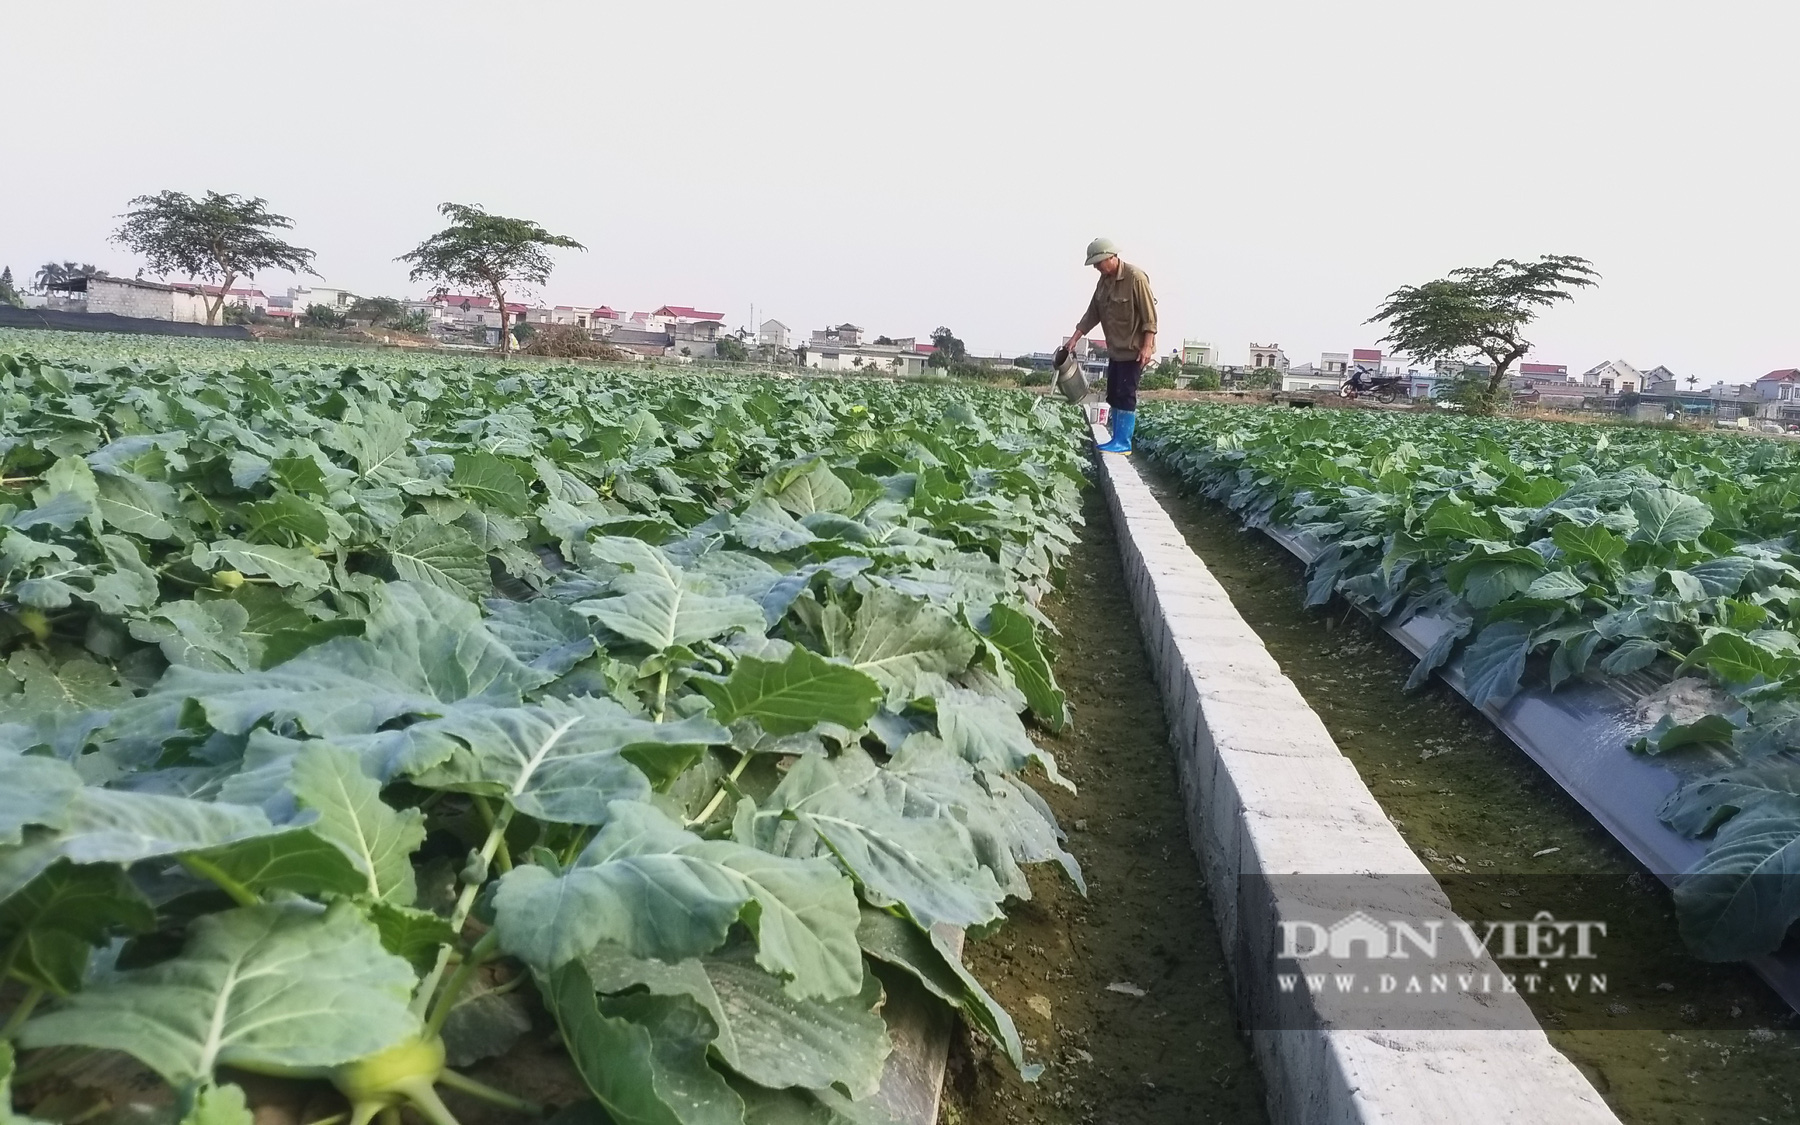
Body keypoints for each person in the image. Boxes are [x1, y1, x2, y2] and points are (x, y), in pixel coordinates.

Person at [1067, 238, 1157, 454]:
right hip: (1116, 349)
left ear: (1111, 257)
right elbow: (1092, 313)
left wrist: (1147, 346)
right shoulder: (1104, 281)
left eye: (1099, 263)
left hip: (1134, 350)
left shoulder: (1135, 278)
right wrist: (1075, 338)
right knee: (1114, 394)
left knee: (1126, 393)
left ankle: (1123, 443)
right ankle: (1116, 438)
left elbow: (1150, 317)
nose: (1097, 268)